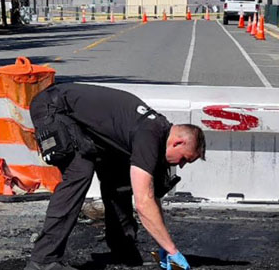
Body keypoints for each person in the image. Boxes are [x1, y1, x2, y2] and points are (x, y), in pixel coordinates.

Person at [25, 83, 206, 270]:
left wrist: (164, 245)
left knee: (119, 179)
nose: (182, 165)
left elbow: (152, 195)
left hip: (79, 119)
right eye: (185, 159)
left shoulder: (157, 132)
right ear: (178, 142)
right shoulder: (149, 135)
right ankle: (43, 260)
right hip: (53, 108)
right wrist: (173, 250)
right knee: (79, 172)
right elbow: (144, 202)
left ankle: (123, 249)